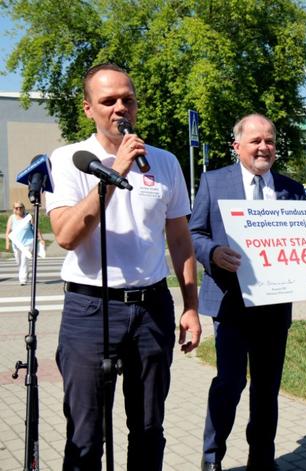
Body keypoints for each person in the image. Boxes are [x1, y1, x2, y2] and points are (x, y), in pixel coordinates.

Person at [45, 63, 201, 471]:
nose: (119, 108)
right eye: (108, 101)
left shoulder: (164, 163)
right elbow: (65, 235)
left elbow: (180, 239)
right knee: (86, 433)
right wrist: (114, 173)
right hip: (89, 309)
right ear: (88, 108)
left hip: (151, 307)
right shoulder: (68, 160)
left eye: (127, 99)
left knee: (149, 428)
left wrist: (190, 306)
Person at [190, 114, 306, 471]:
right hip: (231, 305)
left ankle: (262, 459)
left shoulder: (291, 189)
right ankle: (212, 458)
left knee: (266, 389)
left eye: (269, 141)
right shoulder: (213, 181)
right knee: (229, 383)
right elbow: (194, 235)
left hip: (273, 307)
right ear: (236, 145)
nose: (263, 147)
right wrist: (212, 253)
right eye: (255, 141)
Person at [5, 201, 45, 285]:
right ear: (14, 209)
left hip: (28, 242)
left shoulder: (29, 217)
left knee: (24, 259)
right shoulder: (12, 218)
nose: (19, 209)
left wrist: (41, 239)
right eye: (16, 208)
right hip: (16, 243)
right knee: (19, 261)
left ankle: (22, 280)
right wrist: (7, 243)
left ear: (23, 208)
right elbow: (7, 232)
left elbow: (36, 228)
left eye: (20, 207)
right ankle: (25, 273)